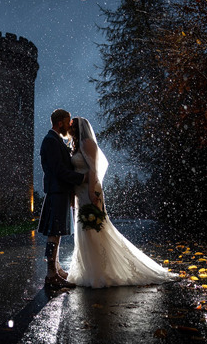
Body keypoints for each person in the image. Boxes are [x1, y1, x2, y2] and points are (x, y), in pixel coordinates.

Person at [67, 117, 177, 288]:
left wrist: (91, 191)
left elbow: (94, 169)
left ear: (80, 127)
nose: (70, 128)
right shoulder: (76, 146)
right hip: (80, 193)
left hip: (90, 190)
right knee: (84, 229)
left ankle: (100, 272)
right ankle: (89, 270)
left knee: (95, 229)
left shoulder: (87, 142)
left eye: (72, 126)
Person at [38, 109, 86, 289]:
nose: (69, 125)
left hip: (60, 192)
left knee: (55, 234)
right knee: (53, 233)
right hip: (57, 192)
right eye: (67, 122)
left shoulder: (55, 140)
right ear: (60, 123)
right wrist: (81, 179)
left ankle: (55, 269)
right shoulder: (51, 141)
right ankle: (51, 275)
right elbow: (59, 170)